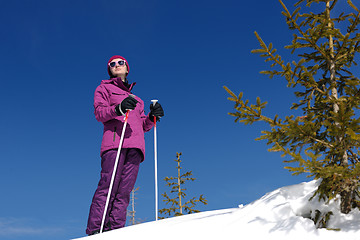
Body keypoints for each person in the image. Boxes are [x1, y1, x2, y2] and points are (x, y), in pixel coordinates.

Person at [86, 55, 164, 235]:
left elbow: (143, 125)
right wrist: (118, 108)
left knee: (124, 192)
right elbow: (99, 113)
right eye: (112, 64)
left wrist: (152, 117)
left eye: (120, 62)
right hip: (115, 143)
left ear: (127, 68)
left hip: (135, 147)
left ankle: (115, 231)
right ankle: (96, 230)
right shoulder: (103, 89)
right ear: (110, 70)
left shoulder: (137, 100)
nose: (116, 65)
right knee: (109, 186)